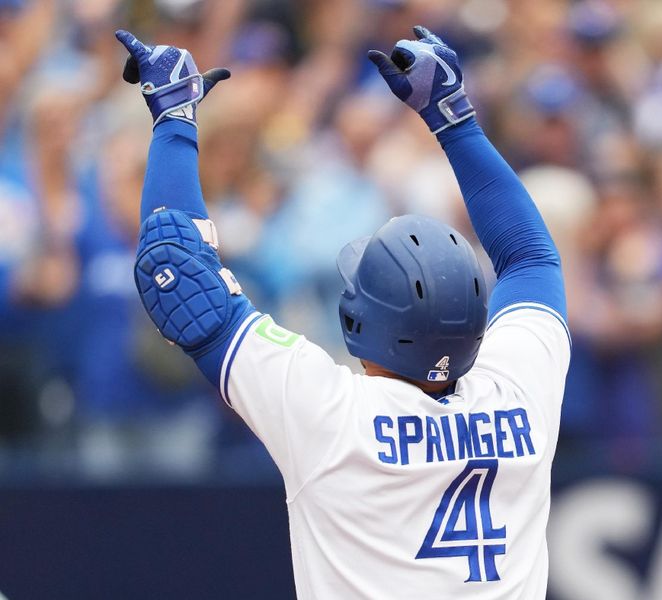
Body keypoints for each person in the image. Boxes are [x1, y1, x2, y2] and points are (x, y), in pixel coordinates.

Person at [116, 25, 570, 599]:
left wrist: (174, 121)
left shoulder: (333, 418)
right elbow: (529, 256)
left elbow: (175, 272)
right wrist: (456, 119)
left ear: (361, 323)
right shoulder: (520, 391)